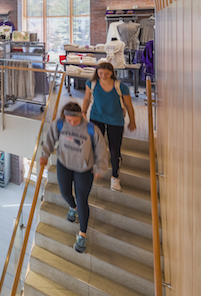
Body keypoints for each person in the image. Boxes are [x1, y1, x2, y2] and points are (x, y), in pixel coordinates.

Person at [39, 102, 109, 253]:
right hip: (64, 164)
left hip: (84, 169)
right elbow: (50, 139)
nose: (71, 123)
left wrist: (101, 167)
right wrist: (45, 155)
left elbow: (101, 148)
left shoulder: (91, 129)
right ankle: (73, 207)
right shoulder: (59, 124)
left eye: (75, 121)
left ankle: (82, 235)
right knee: (64, 192)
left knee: (82, 199)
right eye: (69, 120)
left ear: (81, 116)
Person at [82, 61, 136, 192]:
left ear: (112, 73)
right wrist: (83, 112)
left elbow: (128, 105)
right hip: (96, 118)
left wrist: (132, 121)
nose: (103, 76)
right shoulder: (91, 83)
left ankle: (115, 177)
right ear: (97, 73)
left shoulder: (120, 86)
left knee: (114, 150)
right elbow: (87, 99)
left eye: (106, 73)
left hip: (115, 120)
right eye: (100, 73)